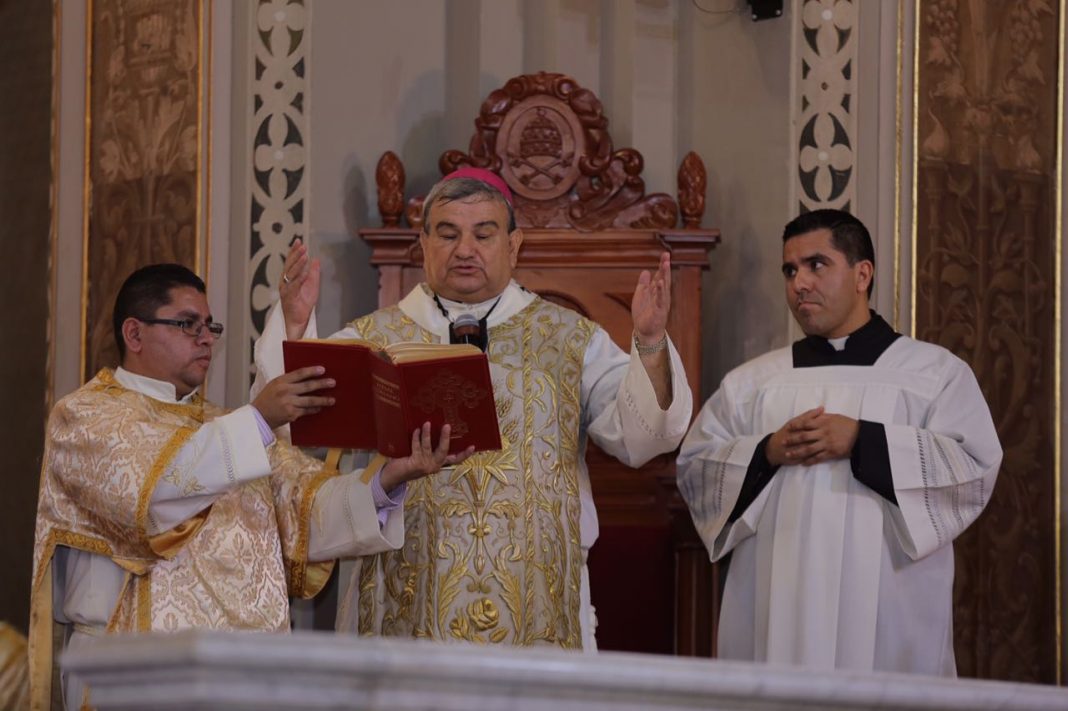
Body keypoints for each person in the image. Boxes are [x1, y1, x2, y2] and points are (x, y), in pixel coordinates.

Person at [253, 167, 693, 650]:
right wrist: (295, 331)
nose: (465, 249)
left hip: (538, 612)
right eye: (447, 233)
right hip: (402, 608)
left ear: (514, 244)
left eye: (484, 234)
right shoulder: (371, 341)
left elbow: (644, 436)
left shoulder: (569, 338)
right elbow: (287, 439)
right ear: (422, 245)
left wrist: (649, 343)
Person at [29, 264, 462, 710]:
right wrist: (258, 418)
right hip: (137, 670)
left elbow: (304, 510)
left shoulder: (225, 426)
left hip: (243, 676)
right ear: (134, 334)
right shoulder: (84, 417)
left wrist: (390, 477)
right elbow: (153, 497)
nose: (205, 338)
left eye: (210, 326)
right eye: (186, 324)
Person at [676, 209, 1002, 675]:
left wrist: (863, 439)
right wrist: (766, 452)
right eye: (790, 270)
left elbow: (973, 466)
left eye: (816, 265)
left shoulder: (932, 375)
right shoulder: (753, 383)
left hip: (889, 602)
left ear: (862, 274)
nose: (799, 283)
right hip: (779, 601)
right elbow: (696, 467)